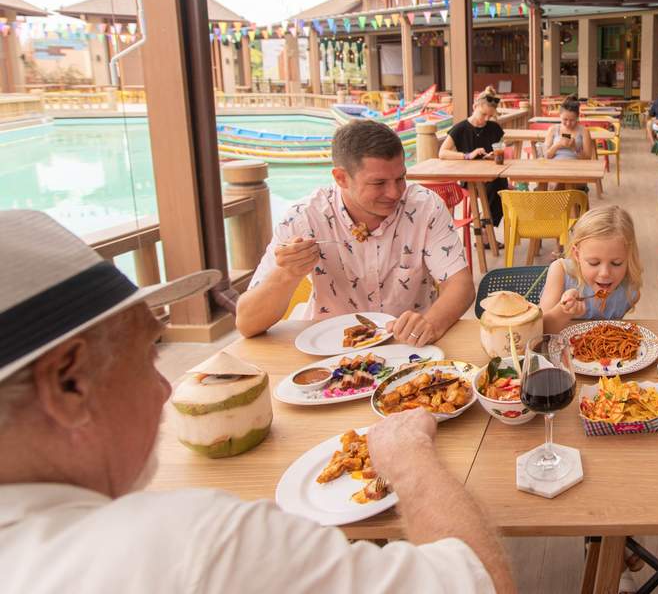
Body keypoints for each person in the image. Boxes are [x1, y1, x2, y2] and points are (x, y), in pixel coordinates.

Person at [0, 210, 513, 594]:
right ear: (67, 384)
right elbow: (479, 580)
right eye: (145, 356)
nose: (166, 388)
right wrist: (409, 457)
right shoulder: (196, 545)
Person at [236, 119, 474, 346]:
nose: (394, 193)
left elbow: (460, 285)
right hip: (329, 347)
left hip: (409, 344)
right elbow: (247, 324)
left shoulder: (424, 206)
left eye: (400, 178)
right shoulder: (304, 218)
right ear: (341, 178)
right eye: (378, 183)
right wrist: (286, 274)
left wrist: (431, 324)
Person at [537, 205, 642, 334]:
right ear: (577, 255)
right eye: (594, 263)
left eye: (616, 263)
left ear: (628, 258)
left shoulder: (629, 291)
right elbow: (539, 330)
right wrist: (563, 312)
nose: (605, 273)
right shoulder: (560, 271)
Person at [439, 91, 507, 227]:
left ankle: (485, 226)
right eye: (484, 114)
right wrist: (467, 155)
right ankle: (485, 228)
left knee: (501, 185)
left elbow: (500, 147)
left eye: (490, 116)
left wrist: (493, 155)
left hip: (491, 174)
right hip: (469, 178)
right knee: (497, 186)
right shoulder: (460, 129)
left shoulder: (495, 128)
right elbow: (442, 153)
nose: (487, 119)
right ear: (474, 106)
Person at [541, 97, 595, 163]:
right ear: (559, 115)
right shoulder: (553, 129)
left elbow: (587, 158)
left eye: (572, 120)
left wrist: (575, 148)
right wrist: (558, 145)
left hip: (577, 167)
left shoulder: (584, 131)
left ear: (577, 117)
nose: (568, 123)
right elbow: (546, 156)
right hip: (555, 166)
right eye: (565, 119)